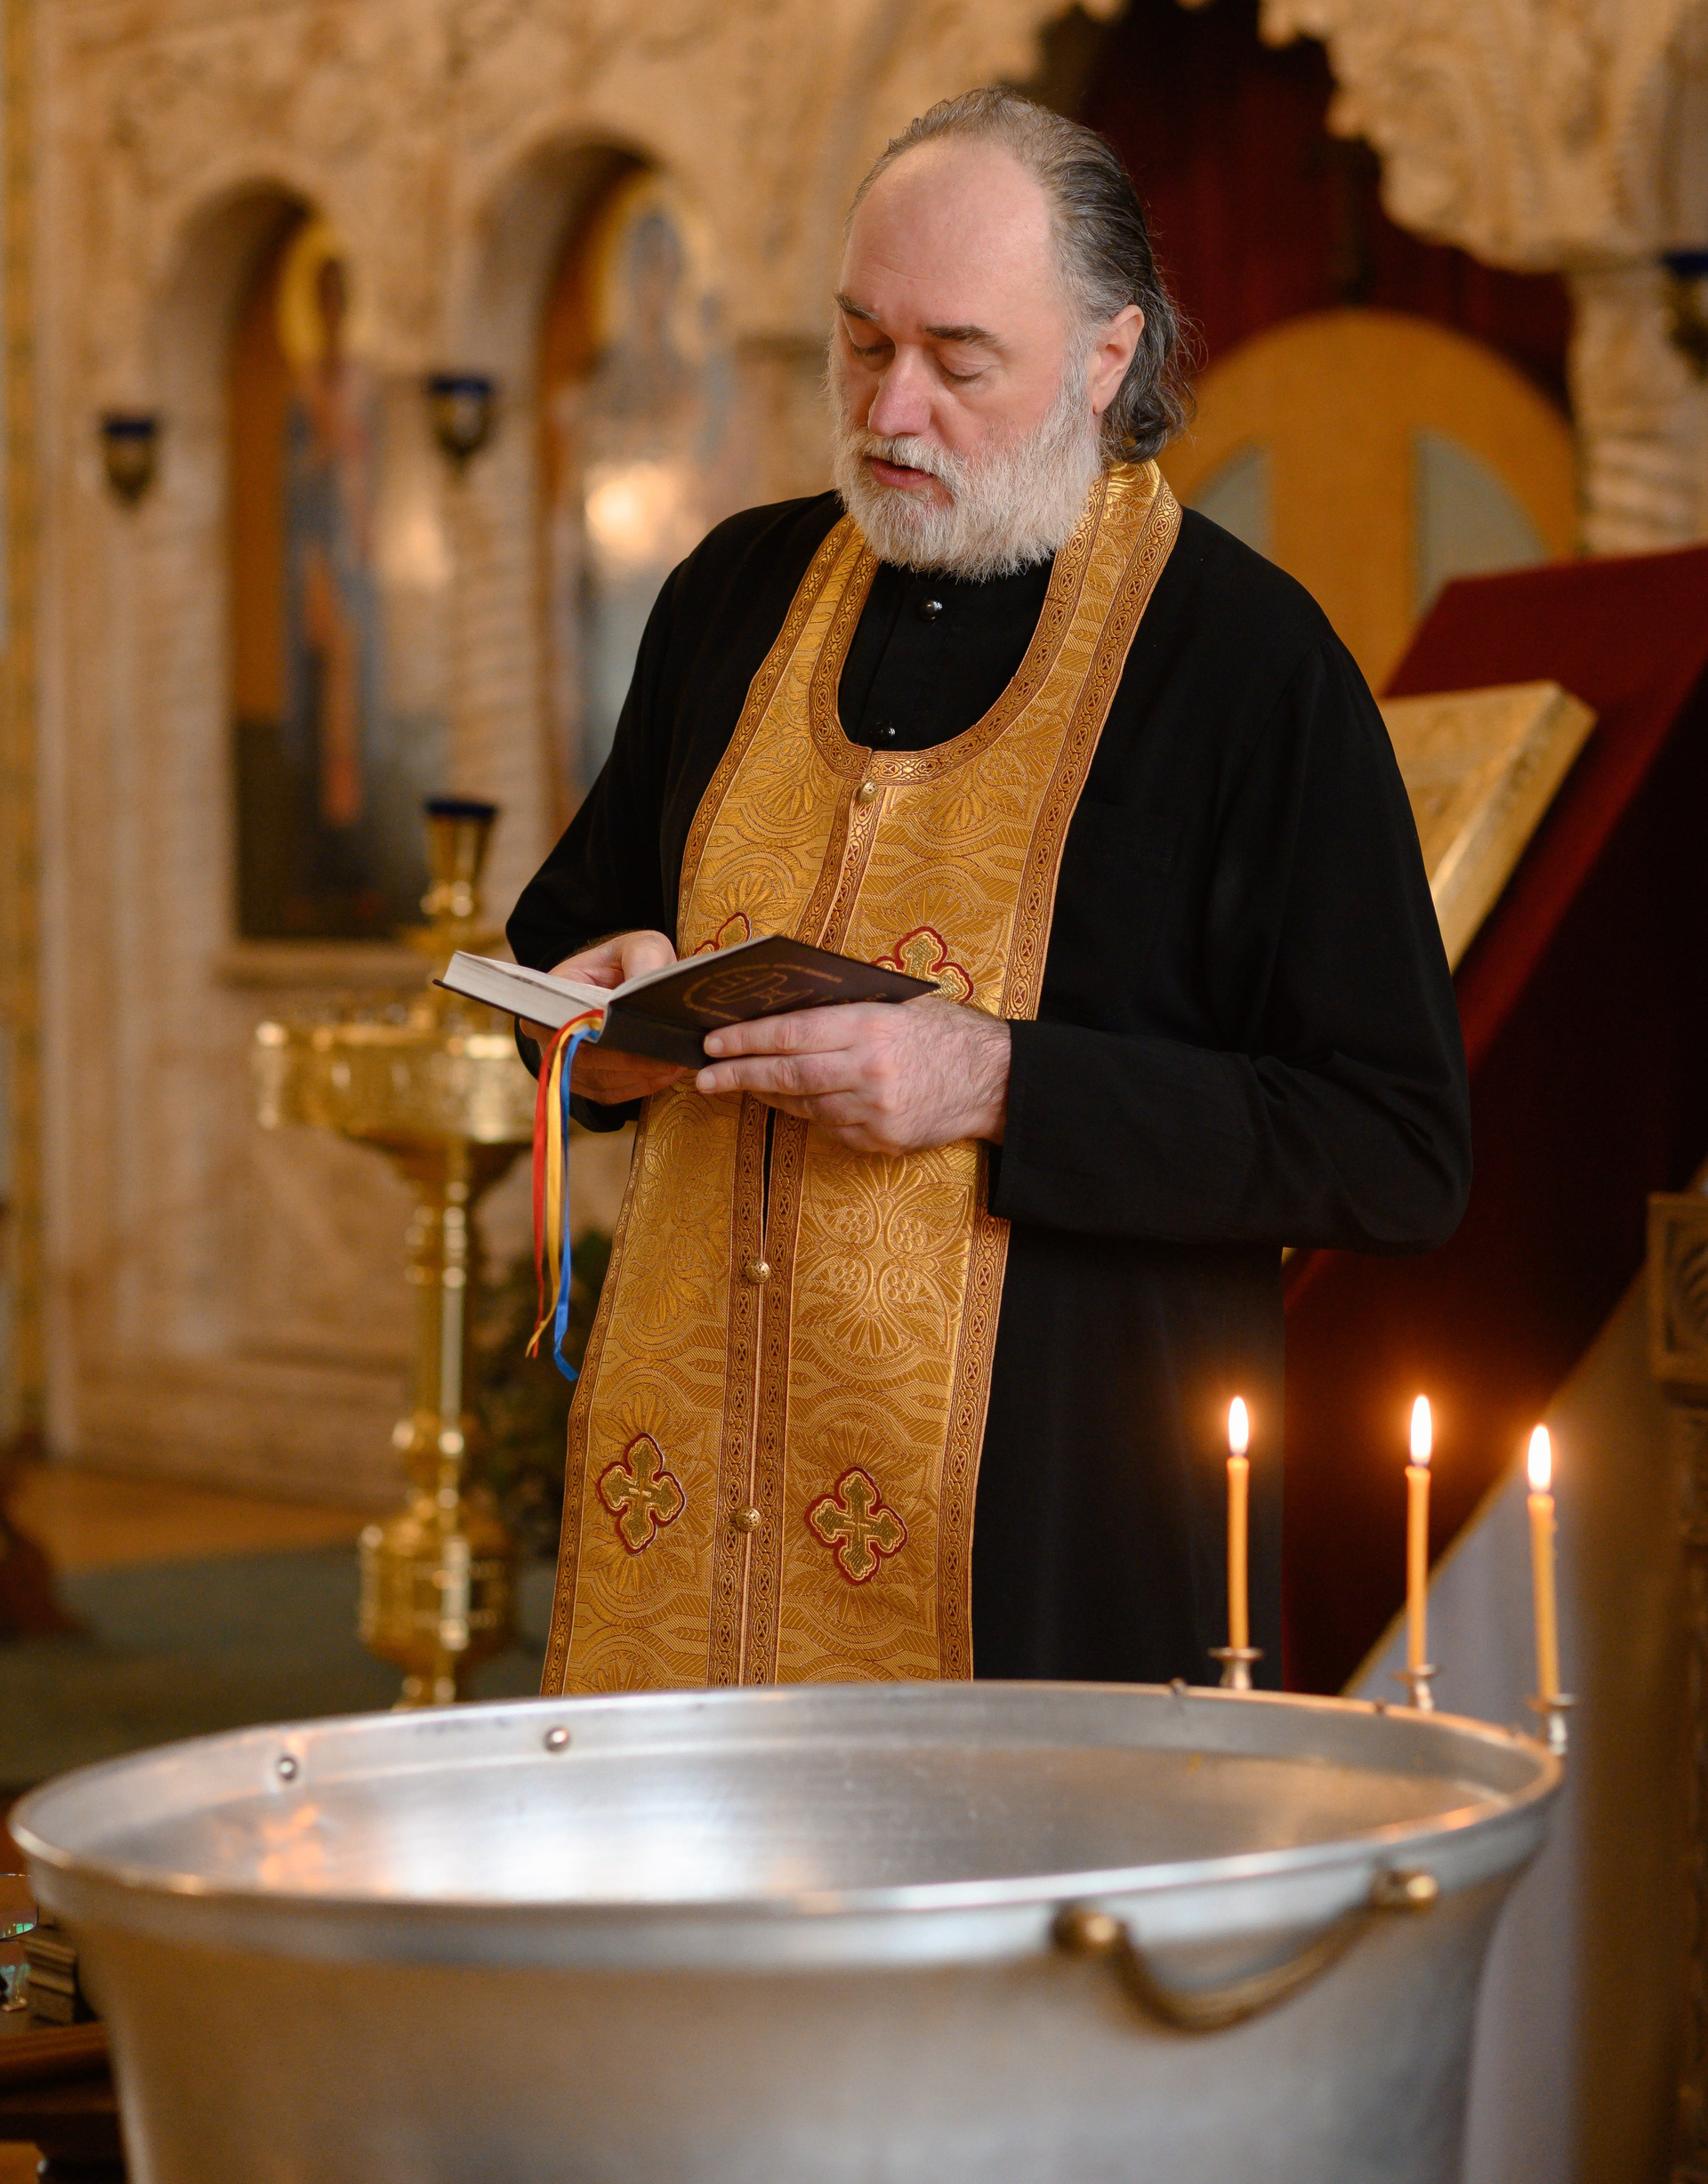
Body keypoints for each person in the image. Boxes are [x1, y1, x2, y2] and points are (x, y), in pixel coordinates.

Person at [508, 85, 1470, 1698]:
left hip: (1052, 1559)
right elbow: (565, 949)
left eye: (959, 362)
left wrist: (1000, 1079)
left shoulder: (1247, 663)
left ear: (1106, 355)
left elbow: (1397, 1146)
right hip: (691, 1546)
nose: (893, 407)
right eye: (861, 342)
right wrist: (592, 1030)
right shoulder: (733, 593)